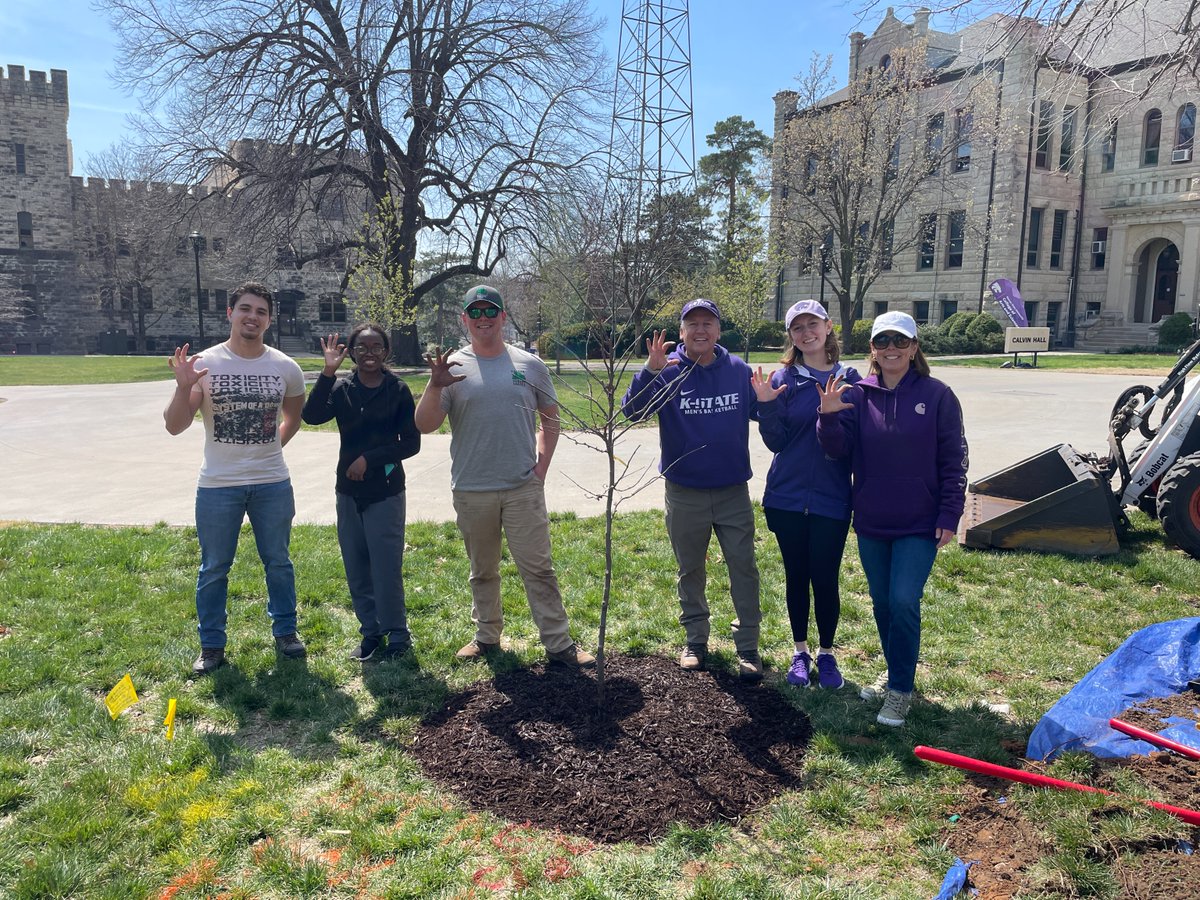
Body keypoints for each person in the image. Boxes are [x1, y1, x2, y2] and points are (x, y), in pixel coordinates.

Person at [413, 284, 594, 668]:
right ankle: (487, 637)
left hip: (521, 487)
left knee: (538, 568)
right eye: (474, 312)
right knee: (482, 570)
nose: (482, 319)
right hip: (472, 488)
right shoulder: (453, 368)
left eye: (489, 311)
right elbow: (425, 425)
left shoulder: (529, 365)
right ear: (464, 319)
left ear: (502, 317)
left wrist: (541, 467)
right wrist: (434, 384)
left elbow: (550, 419)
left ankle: (558, 643)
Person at [816, 310, 968, 727]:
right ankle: (897, 672)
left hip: (920, 521)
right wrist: (828, 415)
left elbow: (954, 460)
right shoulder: (858, 394)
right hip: (872, 519)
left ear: (914, 348)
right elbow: (837, 451)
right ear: (872, 350)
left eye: (900, 342)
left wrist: (950, 513)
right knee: (883, 603)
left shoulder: (938, 395)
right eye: (883, 342)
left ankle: (900, 691)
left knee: (903, 600)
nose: (891, 349)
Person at [164, 282, 307, 676]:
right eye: (245, 308)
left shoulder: (285, 367)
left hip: (272, 483)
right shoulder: (206, 364)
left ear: (269, 319)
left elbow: (292, 418)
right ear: (230, 313)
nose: (252, 317)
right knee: (214, 567)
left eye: (261, 311)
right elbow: (175, 426)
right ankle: (211, 645)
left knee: (278, 561)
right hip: (217, 486)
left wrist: (270, 448)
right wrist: (183, 387)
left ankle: (286, 631)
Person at [621, 299, 764, 682]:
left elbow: (765, 413)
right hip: (685, 492)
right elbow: (632, 412)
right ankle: (695, 641)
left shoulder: (738, 371)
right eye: (692, 324)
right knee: (690, 569)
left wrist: (772, 404)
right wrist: (648, 372)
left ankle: (748, 645)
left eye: (708, 323)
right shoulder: (667, 373)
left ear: (719, 330)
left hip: (733, 491)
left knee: (744, 569)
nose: (700, 330)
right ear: (681, 332)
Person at [754, 300, 861, 690]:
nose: (805, 333)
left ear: (828, 327)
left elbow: (845, 449)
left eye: (812, 324)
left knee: (826, 578)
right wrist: (766, 405)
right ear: (791, 336)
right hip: (785, 499)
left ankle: (828, 654)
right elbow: (776, 441)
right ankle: (800, 651)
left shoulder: (851, 380)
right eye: (797, 327)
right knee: (797, 575)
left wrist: (830, 413)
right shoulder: (783, 379)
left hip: (832, 500)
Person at [301, 323, 421, 662]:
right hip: (348, 492)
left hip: (385, 491)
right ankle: (370, 633)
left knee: (385, 567)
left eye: (377, 347)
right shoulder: (342, 388)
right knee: (356, 566)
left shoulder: (397, 390)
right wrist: (327, 373)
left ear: (386, 351)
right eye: (362, 347)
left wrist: (369, 459)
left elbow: (411, 443)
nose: (370, 353)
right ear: (351, 352)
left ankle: (397, 635)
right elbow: (311, 416)